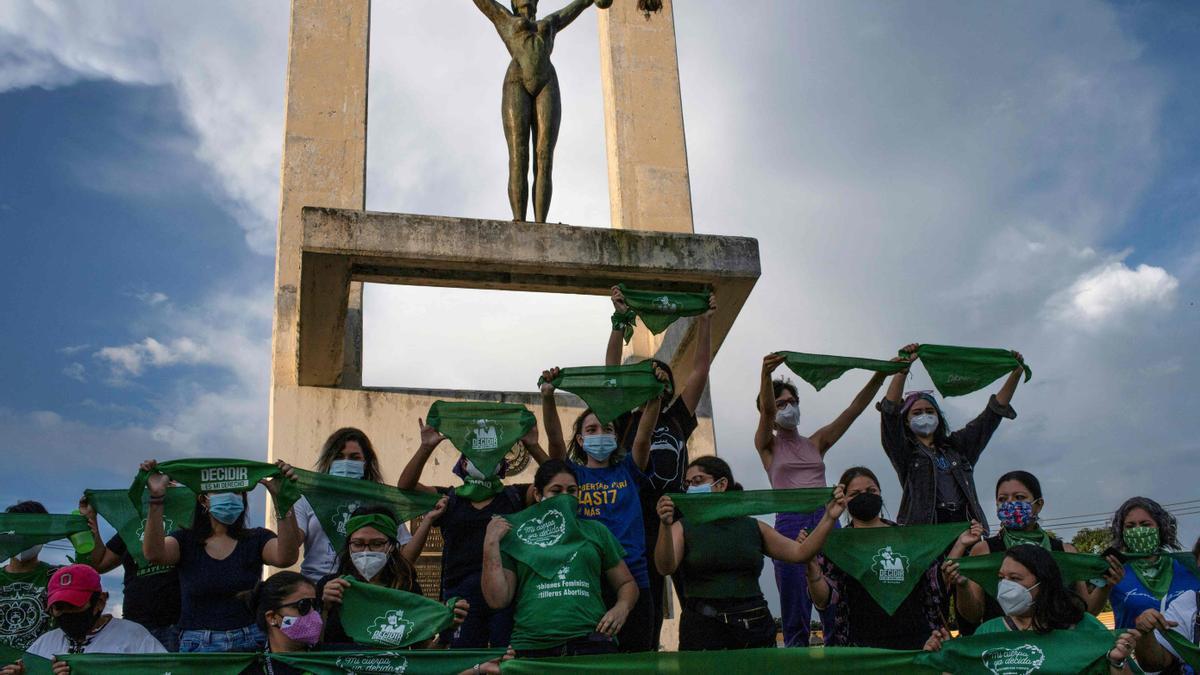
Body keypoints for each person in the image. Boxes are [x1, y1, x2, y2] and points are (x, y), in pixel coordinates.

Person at [756, 352, 895, 647]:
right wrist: (766, 374)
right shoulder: (768, 444)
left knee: (834, 598)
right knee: (795, 609)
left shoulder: (816, 442)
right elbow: (766, 412)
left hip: (825, 518)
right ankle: (798, 662)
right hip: (790, 523)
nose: (788, 408)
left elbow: (853, 410)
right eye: (781, 403)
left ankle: (840, 658)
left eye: (792, 402)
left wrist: (881, 374)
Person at [606, 286, 716, 648]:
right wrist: (619, 320)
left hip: (677, 519)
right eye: (649, 375)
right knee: (647, 612)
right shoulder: (625, 421)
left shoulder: (676, 420)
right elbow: (610, 375)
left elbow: (701, 369)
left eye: (663, 375)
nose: (658, 379)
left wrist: (704, 319)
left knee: (697, 605)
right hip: (639, 522)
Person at [653, 457, 845, 651]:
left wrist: (829, 517)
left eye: (698, 481)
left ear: (721, 485)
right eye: (687, 484)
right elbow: (665, 567)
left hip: (754, 628)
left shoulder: (753, 527)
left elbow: (800, 552)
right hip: (703, 630)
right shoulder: (682, 527)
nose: (691, 489)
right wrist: (664, 525)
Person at [541, 365, 666, 652]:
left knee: (637, 661)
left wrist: (656, 394)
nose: (600, 433)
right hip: (588, 581)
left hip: (635, 578)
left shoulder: (629, 469)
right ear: (582, 440)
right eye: (591, 429)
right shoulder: (572, 476)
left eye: (607, 428)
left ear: (616, 437)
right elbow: (556, 442)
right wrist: (548, 395)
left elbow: (644, 437)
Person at [396, 418, 547, 649]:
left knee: (503, 658)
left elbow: (554, 480)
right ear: (464, 463)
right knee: (463, 658)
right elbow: (406, 486)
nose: (484, 461)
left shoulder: (514, 496)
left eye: (492, 456)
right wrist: (426, 447)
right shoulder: (449, 498)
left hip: (505, 591)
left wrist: (534, 446)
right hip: (460, 597)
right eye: (476, 456)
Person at [139, 459, 303, 653]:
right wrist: (156, 498)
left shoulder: (256, 539)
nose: (231, 497)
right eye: (221, 491)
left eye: (236, 492)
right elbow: (154, 554)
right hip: (198, 645)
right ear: (203, 499)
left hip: (251, 641)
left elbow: (286, 557)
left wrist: (282, 500)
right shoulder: (185, 541)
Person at [803, 467, 977, 649]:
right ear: (843, 500)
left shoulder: (907, 537)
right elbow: (824, 599)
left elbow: (936, 581)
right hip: (863, 649)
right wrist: (811, 567)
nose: (865, 496)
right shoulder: (838, 544)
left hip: (919, 643)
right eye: (855, 493)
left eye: (871, 491)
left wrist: (960, 544)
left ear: (880, 494)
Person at [481, 460, 638, 657]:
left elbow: (627, 583)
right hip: (533, 646)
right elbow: (498, 599)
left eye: (571, 490)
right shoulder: (516, 535)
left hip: (591, 642)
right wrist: (491, 543)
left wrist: (622, 608)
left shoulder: (596, 531)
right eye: (556, 491)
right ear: (538, 495)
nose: (565, 497)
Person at [469, 0, 604, 222]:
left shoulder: (549, 23)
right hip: (517, 78)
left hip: (547, 81)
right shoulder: (507, 19)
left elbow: (576, 7)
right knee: (518, 155)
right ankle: (519, 221)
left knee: (544, 156)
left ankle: (541, 223)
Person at [946, 470, 1120, 634]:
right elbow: (973, 614)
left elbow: (1086, 610)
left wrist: (1106, 586)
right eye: (1002, 499)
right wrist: (962, 586)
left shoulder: (1065, 550)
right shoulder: (985, 550)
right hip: (1004, 647)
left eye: (1019, 497)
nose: (1010, 504)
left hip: (1056, 645)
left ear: (1038, 505)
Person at [923, 546, 1141, 674]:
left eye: (1015, 579)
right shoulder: (988, 632)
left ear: (1043, 583)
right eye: (1002, 578)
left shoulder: (1084, 626)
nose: (1006, 585)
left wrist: (1117, 661)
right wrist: (941, 659)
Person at [879, 343, 1025, 530]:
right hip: (926, 529)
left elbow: (991, 415)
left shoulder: (958, 447)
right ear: (906, 421)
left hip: (965, 526)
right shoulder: (905, 452)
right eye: (916, 413)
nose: (924, 415)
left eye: (930, 411)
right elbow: (890, 414)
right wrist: (902, 371)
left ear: (939, 417)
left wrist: (1016, 374)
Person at [318, 504, 466, 647]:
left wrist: (447, 631)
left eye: (377, 544)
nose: (366, 551)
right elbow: (310, 648)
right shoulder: (331, 587)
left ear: (391, 546)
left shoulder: (406, 588)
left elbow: (424, 655)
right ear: (348, 546)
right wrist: (325, 607)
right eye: (358, 544)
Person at [294, 428, 415, 583]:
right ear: (328, 461)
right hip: (316, 586)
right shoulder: (307, 498)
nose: (346, 462)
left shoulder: (380, 499)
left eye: (354, 458)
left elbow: (404, 552)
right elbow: (289, 549)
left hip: (366, 590)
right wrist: (284, 503)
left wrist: (428, 521)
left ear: (366, 463)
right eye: (338, 457)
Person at [0, 564, 165, 675]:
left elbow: (166, 671)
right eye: (59, 608)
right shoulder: (45, 644)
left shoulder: (133, 637)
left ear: (99, 602)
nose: (66, 614)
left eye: (74, 605)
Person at [76, 495, 182, 652]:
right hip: (135, 624)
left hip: (176, 626)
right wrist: (91, 517)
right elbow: (100, 563)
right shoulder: (133, 525)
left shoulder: (186, 520)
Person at [1095, 497, 1200, 630]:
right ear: (1122, 532)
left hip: (1185, 649)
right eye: (1130, 526)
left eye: (1145, 524)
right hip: (1132, 648)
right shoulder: (1115, 569)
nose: (1138, 530)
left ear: (1160, 527)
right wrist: (1105, 587)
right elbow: (1089, 612)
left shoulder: (1188, 568)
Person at [1, 501, 59, 652]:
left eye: (31, 533)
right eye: (16, 532)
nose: (23, 539)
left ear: (46, 536)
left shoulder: (58, 578)